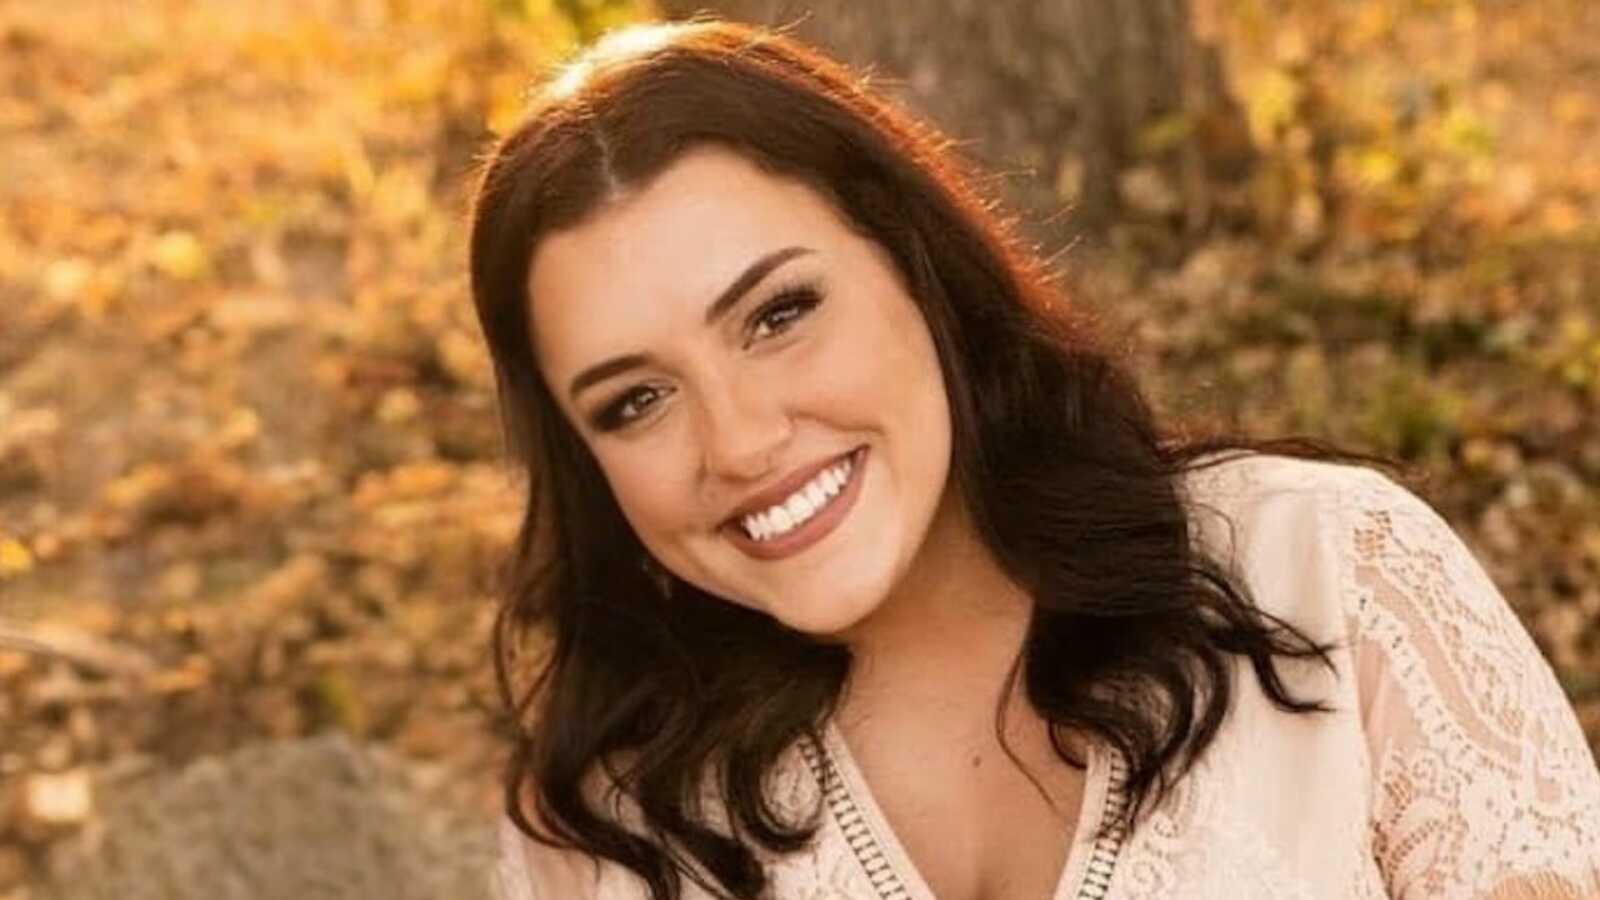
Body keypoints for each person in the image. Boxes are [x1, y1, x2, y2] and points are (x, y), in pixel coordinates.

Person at [467, 19, 1600, 900]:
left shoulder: (1330, 570)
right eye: (637, 400)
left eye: (777, 315)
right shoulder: (603, 829)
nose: (741, 441)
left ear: (915, 265)